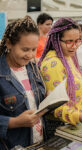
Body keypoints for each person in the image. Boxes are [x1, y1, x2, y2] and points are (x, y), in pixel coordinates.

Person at [39, 18, 82, 132]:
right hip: (59, 126)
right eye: (69, 41)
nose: (75, 46)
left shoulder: (68, 57)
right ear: (56, 40)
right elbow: (54, 106)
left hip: (71, 123)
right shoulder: (53, 64)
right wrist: (81, 117)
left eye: (78, 40)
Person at [0, 16, 46, 149]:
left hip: (39, 142)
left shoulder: (32, 68)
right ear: (9, 43)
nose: (30, 55)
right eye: (25, 50)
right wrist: (15, 122)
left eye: (33, 50)